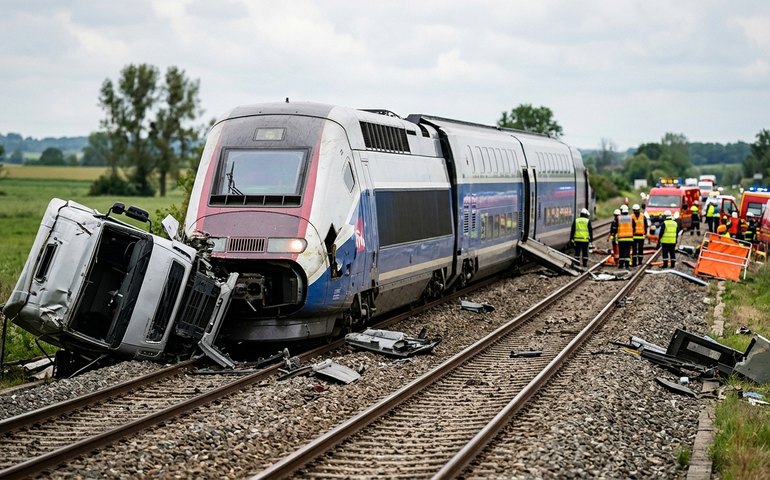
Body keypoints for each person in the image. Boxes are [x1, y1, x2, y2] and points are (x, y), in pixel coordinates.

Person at [616, 204, 634, 269]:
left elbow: (616, 227)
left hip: (621, 238)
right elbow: (634, 227)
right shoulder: (631, 217)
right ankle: (627, 266)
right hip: (629, 238)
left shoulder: (619, 218)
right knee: (627, 252)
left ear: (621, 211)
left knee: (621, 252)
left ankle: (621, 265)